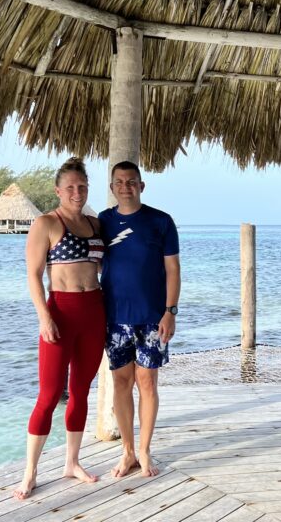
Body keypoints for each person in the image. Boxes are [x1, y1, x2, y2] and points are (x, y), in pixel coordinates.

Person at [14, 157, 106, 500]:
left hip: (95, 314)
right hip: (61, 314)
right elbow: (33, 276)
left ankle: (72, 462)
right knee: (50, 394)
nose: (77, 192)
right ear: (58, 191)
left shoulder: (97, 225)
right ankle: (30, 472)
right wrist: (44, 317)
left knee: (81, 391)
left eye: (82, 187)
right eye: (70, 187)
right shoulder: (46, 223)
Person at [99, 161, 180, 478]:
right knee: (121, 382)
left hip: (152, 318)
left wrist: (170, 311)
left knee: (147, 382)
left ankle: (144, 451)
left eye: (131, 181)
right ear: (112, 188)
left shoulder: (161, 221)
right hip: (115, 317)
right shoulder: (102, 222)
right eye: (119, 182)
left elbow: (173, 270)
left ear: (141, 186)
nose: (125, 187)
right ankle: (127, 451)